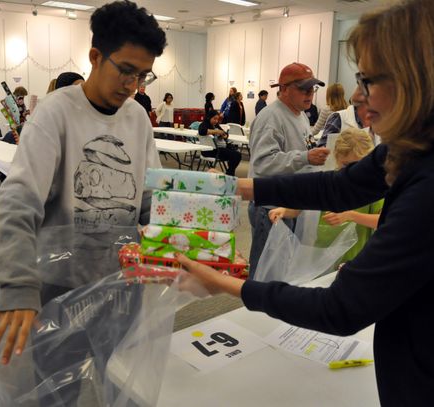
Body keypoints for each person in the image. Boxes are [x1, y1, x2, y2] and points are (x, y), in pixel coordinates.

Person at [175, 1, 434, 404]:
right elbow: (336, 187)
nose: (358, 98)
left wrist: (228, 285)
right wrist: (237, 188)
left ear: (413, 80)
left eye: (367, 80)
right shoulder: (412, 149)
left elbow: (340, 308)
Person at [0, 0, 166, 368]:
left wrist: (187, 245)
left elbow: (149, 197)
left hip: (123, 282)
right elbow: (18, 202)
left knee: (121, 378)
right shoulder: (55, 113)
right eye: (126, 71)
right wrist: (18, 285)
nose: (133, 86)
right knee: (57, 386)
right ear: (95, 56)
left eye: (143, 76)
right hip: (61, 286)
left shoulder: (137, 117)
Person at [248, 62, 330, 275]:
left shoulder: (300, 115)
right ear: (283, 89)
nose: (309, 94)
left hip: (290, 202)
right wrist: (305, 157)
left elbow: (302, 149)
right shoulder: (271, 118)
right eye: (303, 88)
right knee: (265, 271)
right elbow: (263, 164)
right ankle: (257, 308)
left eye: (312, 89)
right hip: (270, 206)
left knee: (283, 267)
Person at [269, 128, 383, 265]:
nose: (352, 171)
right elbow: (300, 207)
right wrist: (284, 211)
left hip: (354, 258)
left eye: (359, 166)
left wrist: (350, 215)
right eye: (346, 165)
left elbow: (382, 220)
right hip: (321, 256)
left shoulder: (373, 188)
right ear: (337, 157)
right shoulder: (330, 182)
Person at [198, 110, 242, 176]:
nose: (216, 121)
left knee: (236, 155)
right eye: (214, 119)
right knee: (236, 156)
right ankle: (230, 174)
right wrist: (216, 132)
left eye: (217, 119)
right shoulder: (203, 125)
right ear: (209, 117)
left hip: (218, 149)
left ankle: (229, 172)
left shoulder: (216, 125)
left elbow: (225, 133)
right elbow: (202, 131)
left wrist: (224, 135)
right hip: (210, 150)